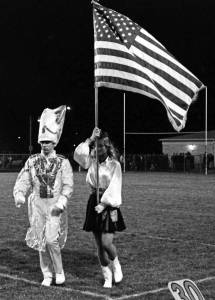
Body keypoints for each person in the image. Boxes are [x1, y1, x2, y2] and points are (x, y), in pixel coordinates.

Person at [13, 105, 73, 287]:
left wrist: (62, 201)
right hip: (37, 207)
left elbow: (68, 185)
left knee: (51, 239)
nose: (44, 145)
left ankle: (59, 271)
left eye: (48, 142)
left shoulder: (63, 162)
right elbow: (24, 179)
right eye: (42, 142)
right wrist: (19, 193)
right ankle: (46, 274)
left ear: (54, 142)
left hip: (54, 207)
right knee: (40, 242)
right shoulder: (32, 161)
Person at [74, 127, 126, 288]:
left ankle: (116, 264)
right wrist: (90, 139)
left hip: (108, 204)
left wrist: (104, 203)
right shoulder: (90, 162)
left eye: (101, 146)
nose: (98, 149)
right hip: (93, 202)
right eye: (95, 146)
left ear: (107, 147)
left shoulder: (114, 165)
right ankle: (107, 276)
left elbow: (115, 186)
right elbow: (78, 155)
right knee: (98, 245)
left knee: (106, 243)